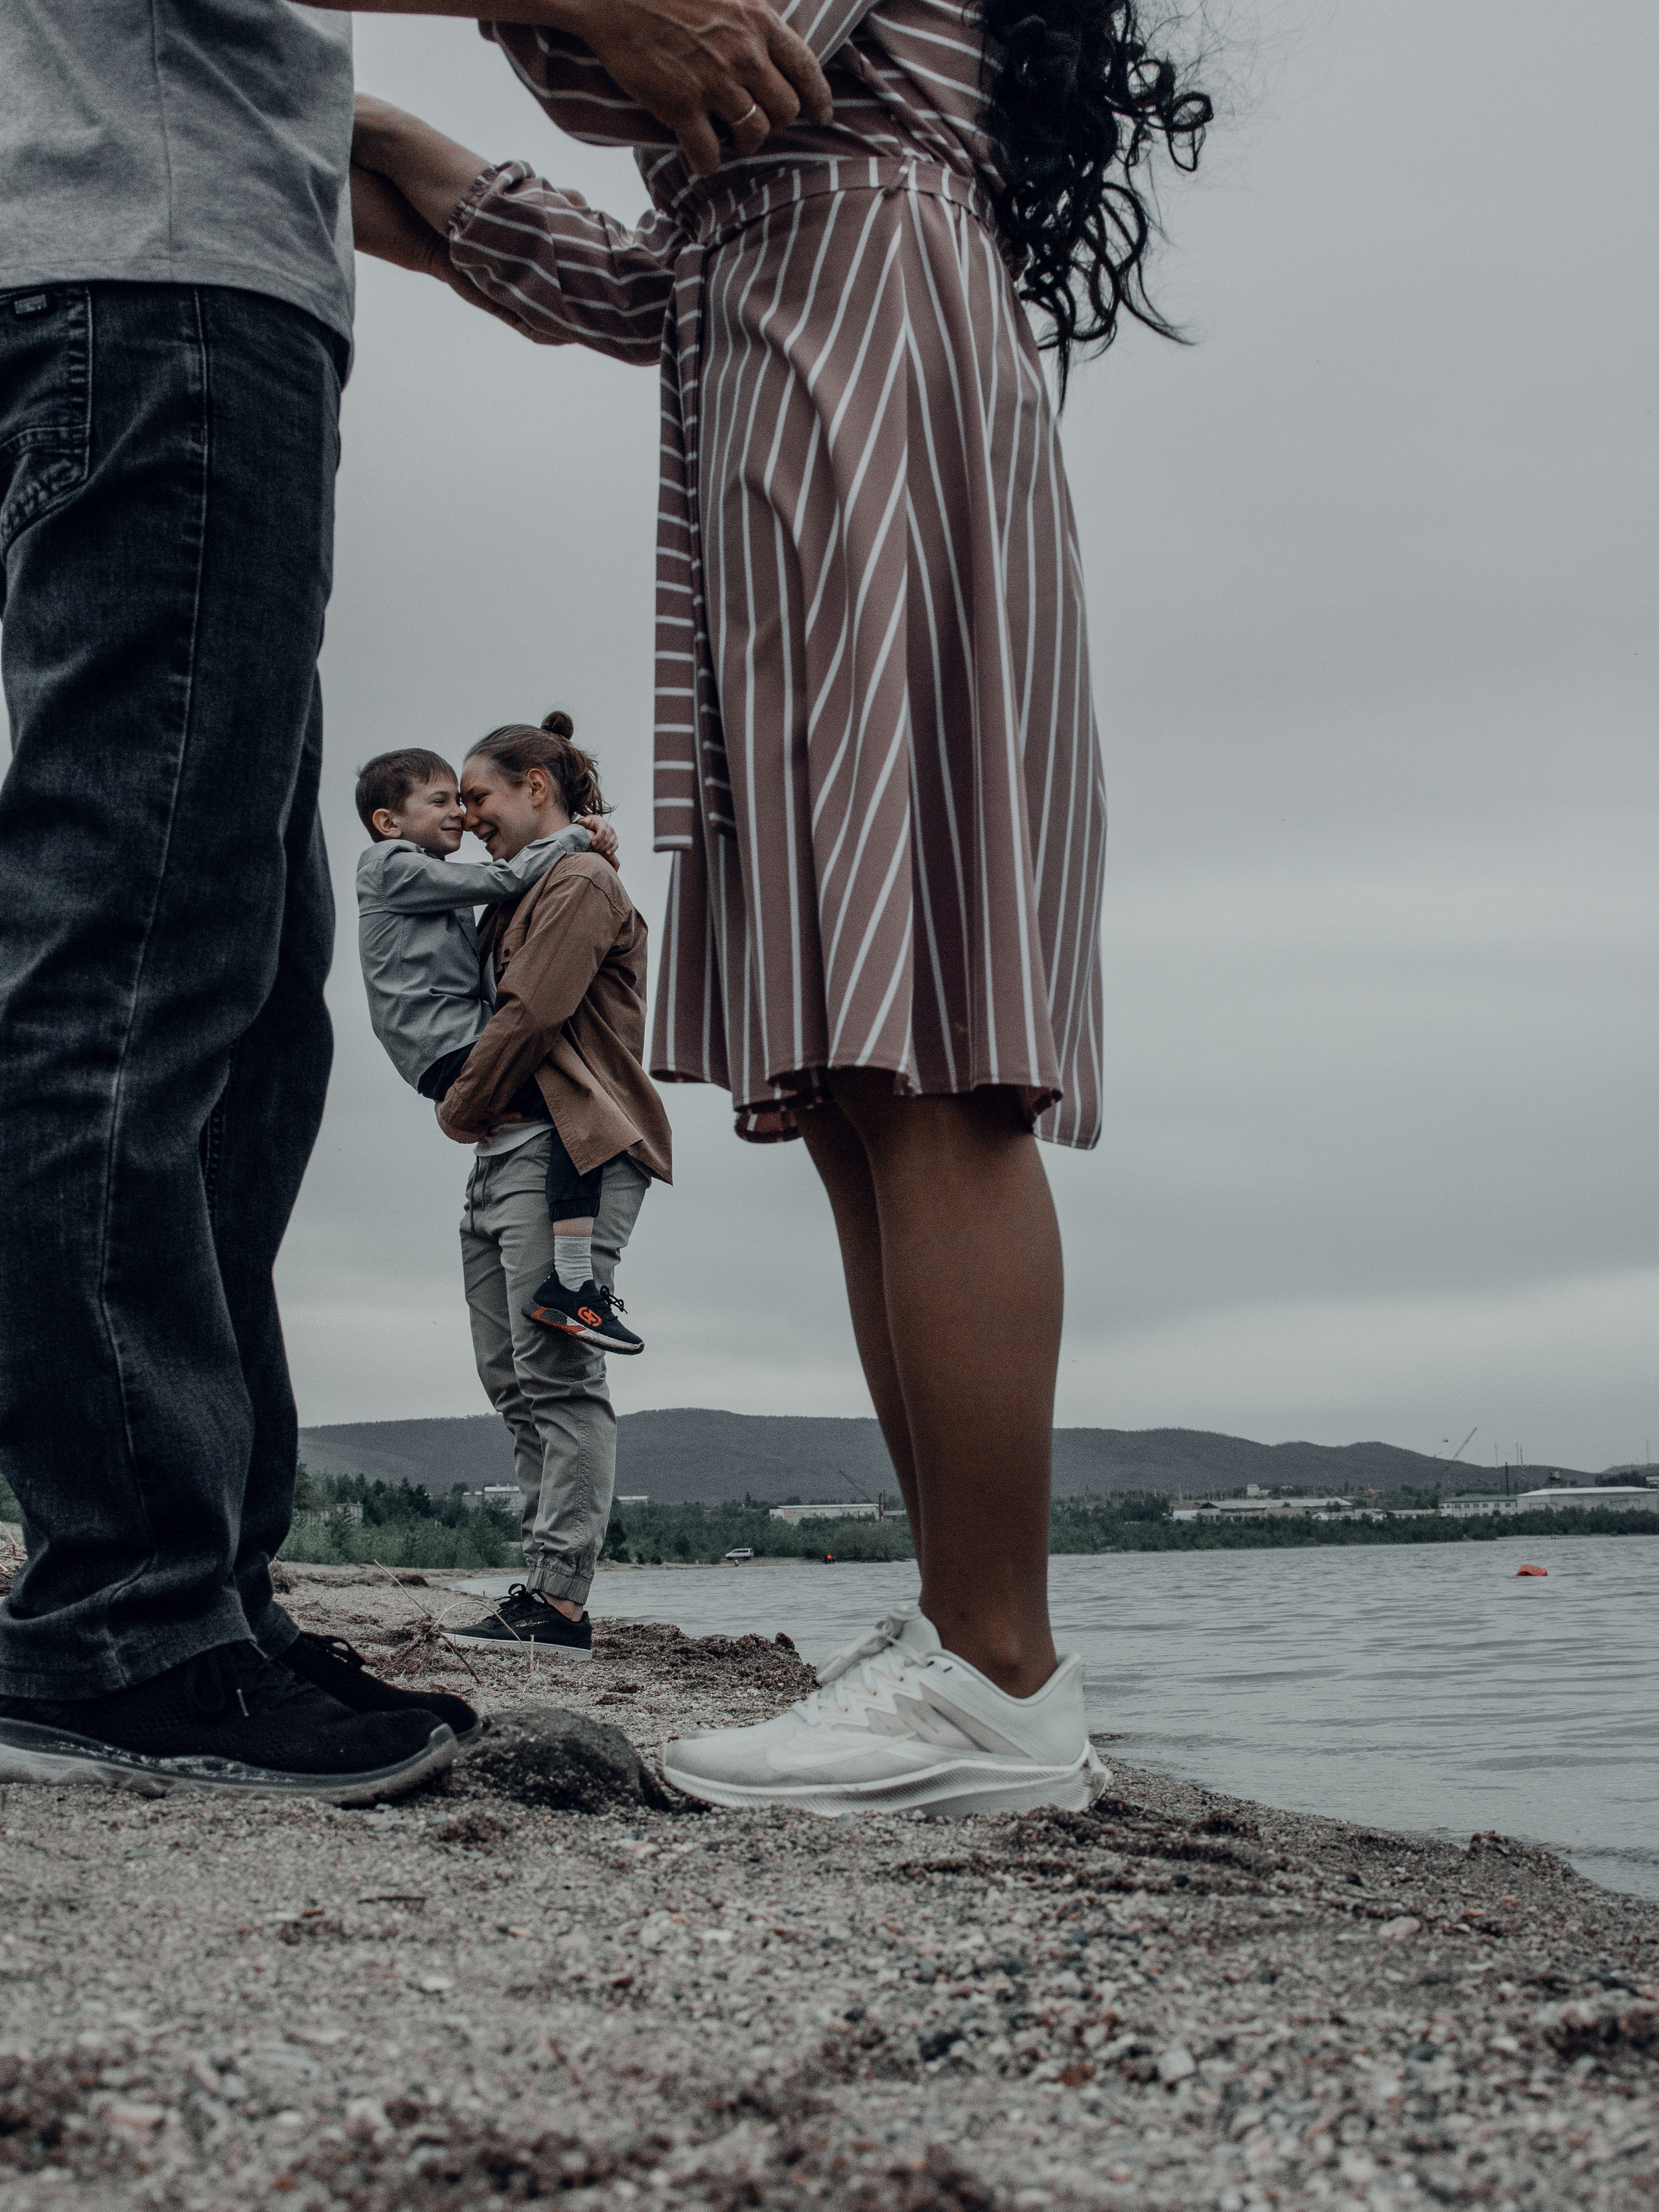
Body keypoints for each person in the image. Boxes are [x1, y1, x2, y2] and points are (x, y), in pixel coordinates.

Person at [353, 0, 1212, 1816]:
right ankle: (964, 1642)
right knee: (850, 1081)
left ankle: (996, 1673)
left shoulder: (840, 149)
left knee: (931, 1056)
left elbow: (677, 33)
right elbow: (657, 270)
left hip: (860, 410)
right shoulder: (800, 189)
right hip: (797, 401)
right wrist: (405, 163)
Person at [0, 0, 831, 1799]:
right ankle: (115, 1624)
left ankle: (190, 1586)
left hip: (181, 289)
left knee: (235, 984)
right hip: (162, 296)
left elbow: (340, 116)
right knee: (139, 951)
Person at [433, 719, 672, 1657]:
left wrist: (459, 1106)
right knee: (511, 1376)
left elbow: (532, 1007)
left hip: (567, 1151)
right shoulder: (531, 880)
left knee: (559, 1372)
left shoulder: (578, 883)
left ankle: (559, 1601)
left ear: (537, 786)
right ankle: (542, 1584)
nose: (467, 815)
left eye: (478, 797)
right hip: (509, 1156)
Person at [354, 739, 616, 1097]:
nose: (460, 814)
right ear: (388, 822)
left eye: (460, 801)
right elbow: (505, 878)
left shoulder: (425, 877)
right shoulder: (391, 868)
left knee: (561, 1092)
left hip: (451, 1043)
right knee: (570, 1096)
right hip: (447, 1045)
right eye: (439, 801)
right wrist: (578, 834)